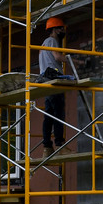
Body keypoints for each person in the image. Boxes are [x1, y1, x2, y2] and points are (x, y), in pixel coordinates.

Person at [40, 17, 72, 155]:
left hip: (46, 81)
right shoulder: (52, 41)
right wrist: (74, 60)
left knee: (49, 114)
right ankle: (60, 144)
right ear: (55, 29)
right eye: (61, 28)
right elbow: (58, 57)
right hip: (54, 80)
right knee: (58, 112)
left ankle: (47, 147)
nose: (62, 31)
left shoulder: (43, 45)